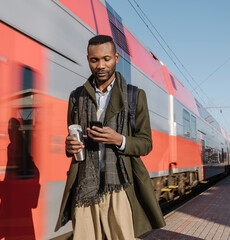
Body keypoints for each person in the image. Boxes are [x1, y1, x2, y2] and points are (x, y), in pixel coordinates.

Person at [55, 35, 165, 240]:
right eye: (94, 60)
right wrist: (70, 146)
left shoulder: (134, 96)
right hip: (85, 186)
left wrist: (119, 140)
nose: (100, 65)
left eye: (106, 59)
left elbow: (145, 143)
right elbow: (72, 138)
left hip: (120, 187)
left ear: (116, 58)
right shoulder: (76, 97)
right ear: (88, 59)